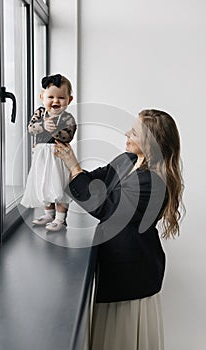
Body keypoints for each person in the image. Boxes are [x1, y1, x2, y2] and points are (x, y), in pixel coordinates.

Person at [54, 109, 184, 350]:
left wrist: (74, 167)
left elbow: (104, 207)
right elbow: (94, 181)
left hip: (133, 276)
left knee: (122, 338)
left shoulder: (153, 182)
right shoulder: (127, 160)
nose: (126, 133)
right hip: (116, 268)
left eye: (134, 132)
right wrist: (67, 162)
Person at [21, 74, 76, 231]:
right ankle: (48, 214)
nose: (55, 101)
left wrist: (56, 131)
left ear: (69, 100)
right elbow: (31, 128)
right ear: (42, 97)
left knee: (60, 185)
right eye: (50, 97)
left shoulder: (67, 118)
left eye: (61, 97)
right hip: (41, 156)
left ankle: (60, 218)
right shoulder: (40, 113)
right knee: (43, 183)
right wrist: (43, 125)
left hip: (59, 156)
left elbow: (69, 135)